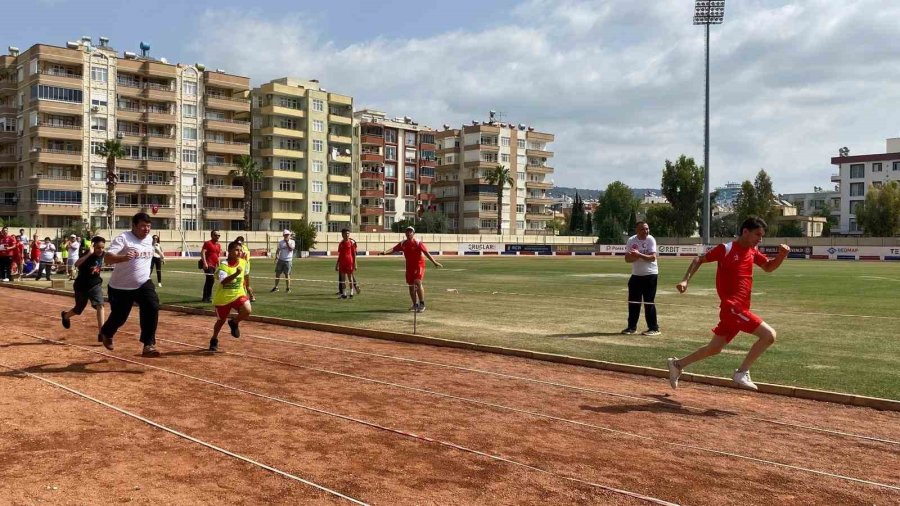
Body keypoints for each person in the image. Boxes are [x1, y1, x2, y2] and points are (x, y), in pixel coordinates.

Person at [667, 217, 790, 391]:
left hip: (740, 309)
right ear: (745, 232)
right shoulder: (726, 248)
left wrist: (782, 256)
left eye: (762, 236)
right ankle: (742, 372)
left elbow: (769, 267)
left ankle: (677, 365)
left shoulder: (752, 251)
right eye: (757, 235)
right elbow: (698, 260)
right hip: (732, 307)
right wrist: (685, 280)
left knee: (714, 348)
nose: (760, 239)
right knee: (769, 335)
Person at [98, 212, 161, 357]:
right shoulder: (123, 238)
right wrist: (123, 258)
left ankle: (148, 344)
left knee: (152, 306)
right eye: (143, 226)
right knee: (120, 317)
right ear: (133, 226)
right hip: (121, 287)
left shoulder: (149, 239)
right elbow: (107, 258)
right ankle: (106, 332)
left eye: (149, 226)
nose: (146, 229)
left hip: (143, 283)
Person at [381, 226, 442, 312]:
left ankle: (422, 304)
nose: (408, 233)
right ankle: (415, 304)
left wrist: (434, 262)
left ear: (413, 233)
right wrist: (385, 252)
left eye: (410, 232)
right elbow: (394, 249)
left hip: (419, 265)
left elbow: (426, 253)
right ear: (405, 233)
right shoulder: (403, 243)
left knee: (417, 282)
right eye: (407, 232)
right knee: (410, 286)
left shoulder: (417, 243)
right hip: (409, 267)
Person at [208, 240, 252, 352]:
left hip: (238, 294)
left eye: (240, 250)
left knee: (247, 310)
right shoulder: (224, 266)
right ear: (230, 251)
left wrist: (248, 288)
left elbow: (246, 275)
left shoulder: (243, 262)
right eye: (236, 250)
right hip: (223, 298)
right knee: (221, 321)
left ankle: (234, 322)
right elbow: (223, 282)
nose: (239, 252)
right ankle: (214, 339)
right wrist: (236, 274)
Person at [61, 236, 107, 333]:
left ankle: (102, 333)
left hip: (95, 284)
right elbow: (76, 264)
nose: (100, 250)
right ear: (93, 246)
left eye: (103, 247)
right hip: (82, 285)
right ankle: (65, 316)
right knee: (78, 309)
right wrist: (89, 253)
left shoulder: (103, 254)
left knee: (100, 305)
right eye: (98, 247)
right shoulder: (87, 253)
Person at [622, 221, 660, 336]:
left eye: (647, 229)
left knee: (649, 302)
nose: (646, 231)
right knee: (633, 302)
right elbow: (627, 259)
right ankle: (631, 327)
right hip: (636, 275)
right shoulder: (631, 240)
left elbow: (653, 258)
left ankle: (654, 328)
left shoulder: (650, 239)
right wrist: (635, 256)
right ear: (637, 230)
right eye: (643, 229)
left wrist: (638, 255)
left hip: (650, 275)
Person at [200, 230, 222, 303]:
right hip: (208, 264)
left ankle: (205, 297)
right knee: (210, 279)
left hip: (214, 265)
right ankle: (208, 297)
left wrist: (219, 266)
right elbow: (203, 253)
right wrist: (205, 263)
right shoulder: (208, 243)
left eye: (219, 235)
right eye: (216, 235)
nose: (217, 237)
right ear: (212, 235)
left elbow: (218, 256)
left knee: (209, 281)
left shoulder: (218, 245)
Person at [336, 228, 358, 299]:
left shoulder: (351, 243)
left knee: (350, 278)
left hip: (349, 262)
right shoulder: (341, 244)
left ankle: (351, 292)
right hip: (342, 263)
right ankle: (344, 293)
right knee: (343, 279)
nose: (347, 235)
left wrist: (355, 263)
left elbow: (354, 254)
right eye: (345, 233)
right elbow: (340, 255)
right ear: (342, 235)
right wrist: (337, 264)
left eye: (348, 233)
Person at [234, 236, 255, 302]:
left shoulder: (245, 249)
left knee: (246, 284)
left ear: (243, 242)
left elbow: (246, 259)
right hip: (238, 268)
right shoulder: (236, 248)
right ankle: (244, 297)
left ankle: (251, 296)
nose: (239, 244)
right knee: (241, 284)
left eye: (240, 243)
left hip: (245, 269)